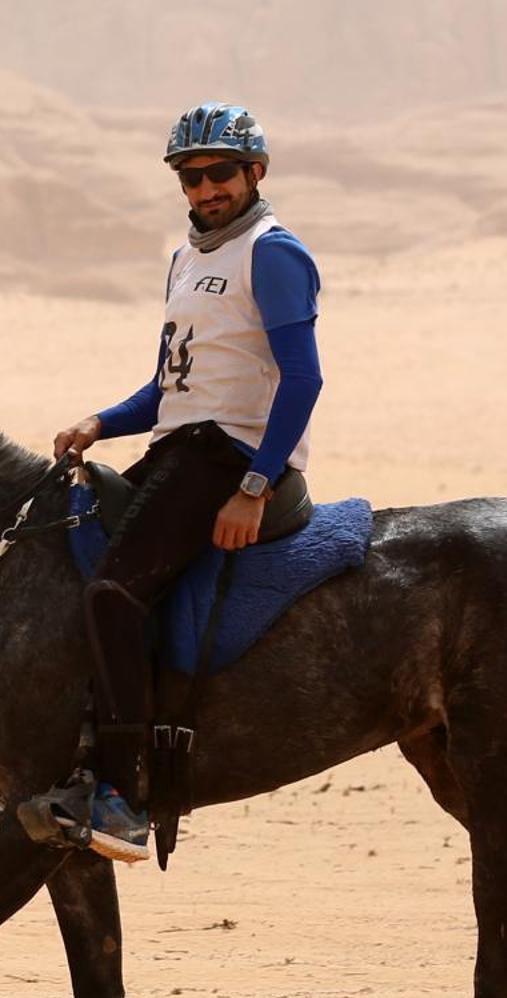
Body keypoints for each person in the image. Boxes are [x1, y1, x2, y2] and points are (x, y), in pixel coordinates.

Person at [52, 101, 324, 862]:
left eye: (218, 175)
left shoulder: (273, 254)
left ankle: (122, 792)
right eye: (190, 177)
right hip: (182, 448)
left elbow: (303, 380)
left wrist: (257, 483)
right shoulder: (185, 259)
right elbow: (170, 388)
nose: (204, 190)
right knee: (71, 546)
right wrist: (100, 423)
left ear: (255, 172)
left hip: (229, 457)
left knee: (113, 593)